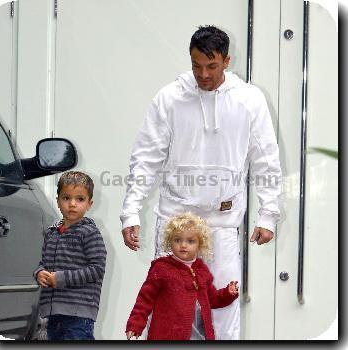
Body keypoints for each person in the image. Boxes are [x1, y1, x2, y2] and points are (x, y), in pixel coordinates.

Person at [120, 25, 281, 340]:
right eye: (196, 65)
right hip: (175, 221)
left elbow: (266, 158)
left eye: (211, 66)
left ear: (227, 61)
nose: (203, 74)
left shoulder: (249, 100)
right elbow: (146, 157)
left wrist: (268, 214)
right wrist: (131, 211)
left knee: (222, 309)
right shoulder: (170, 97)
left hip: (222, 222)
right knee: (167, 309)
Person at [126, 212, 239, 340]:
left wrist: (228, 293)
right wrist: (135, 325)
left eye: (190, 241)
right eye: (177, 240)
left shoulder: (202, 270)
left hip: (201, 336)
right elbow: (144, 300)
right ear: (170, 241)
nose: (183, 245)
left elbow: (212, 299)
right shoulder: (161, 268)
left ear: (200, 244)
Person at [34, 171, 107, 340]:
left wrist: (60, 278)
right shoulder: (51, 233)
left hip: (79, 314)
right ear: (58, 200)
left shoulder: (90, 233)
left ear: (89, 204)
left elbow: (96, 269)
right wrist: (39, 273)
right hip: (53, 313)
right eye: (66, 198)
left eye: (80, 199)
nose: (72, 204)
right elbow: (43, 263)